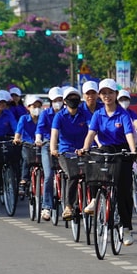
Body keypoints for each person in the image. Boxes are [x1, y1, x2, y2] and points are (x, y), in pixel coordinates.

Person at [82, 79, 137, 245]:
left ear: (116, 94)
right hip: (105, 149)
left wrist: (133, 150)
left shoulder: (123, 114)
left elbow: (129, 133)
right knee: (92, 162)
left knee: (122, 191)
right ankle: (94, 199)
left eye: (110, 93)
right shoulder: (98, 114)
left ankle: (126, 228)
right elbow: (91, 133)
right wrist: (85, 148)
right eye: (104, 93)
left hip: (122, 151)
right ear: (100, 95)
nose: (107, 96)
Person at [50, 87, 92, 220]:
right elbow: (54, 134)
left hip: (83, 150)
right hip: (65, 151)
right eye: (70, 98)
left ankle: (91, 201)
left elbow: (92, 130)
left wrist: (95, 145)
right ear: (64, 101)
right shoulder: (59, 116)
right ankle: (68, 206)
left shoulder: (84, 114)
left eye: (76, 98)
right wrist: (53, 149)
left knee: (92, 174)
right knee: (73, 174)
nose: (73, 100)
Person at [36, 86, 63, 221]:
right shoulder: (45, 114)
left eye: (60, 99)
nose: (58, 102)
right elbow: (39, 129)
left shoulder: (67, 113)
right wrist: (38, 139)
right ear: (51, 101)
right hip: (47, 146)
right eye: (55, 100)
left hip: (63, 147)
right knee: (48, 175)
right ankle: (46, 206)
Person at [14, 94, 43, 189]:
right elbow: (18, 131)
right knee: (26, 160)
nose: (37, 109)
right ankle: (24, 179)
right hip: (27, 145)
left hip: (41, 145)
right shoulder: (24, 118)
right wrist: (17, 138)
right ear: (28, 107)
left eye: (39, 106)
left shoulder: (43, 118)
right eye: (34, 106)